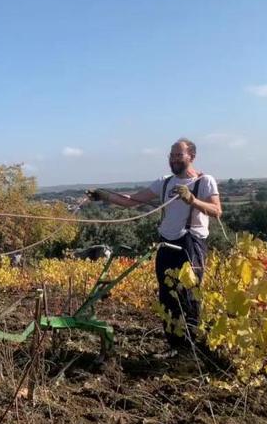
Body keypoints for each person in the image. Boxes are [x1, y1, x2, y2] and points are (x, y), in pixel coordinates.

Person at [86, 138, 222, 356]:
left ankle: (191, 349)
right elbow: (131, 200)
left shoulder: (205, 181)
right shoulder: (164, 182)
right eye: (172, 155)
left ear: (191, 157)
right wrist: (104, 195)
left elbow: (216, 211)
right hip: (166, 242)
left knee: (188, 295)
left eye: (179, 155)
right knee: (167, 296)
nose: (174, 159)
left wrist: (192, 200)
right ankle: (175, 347)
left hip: (190, 243)